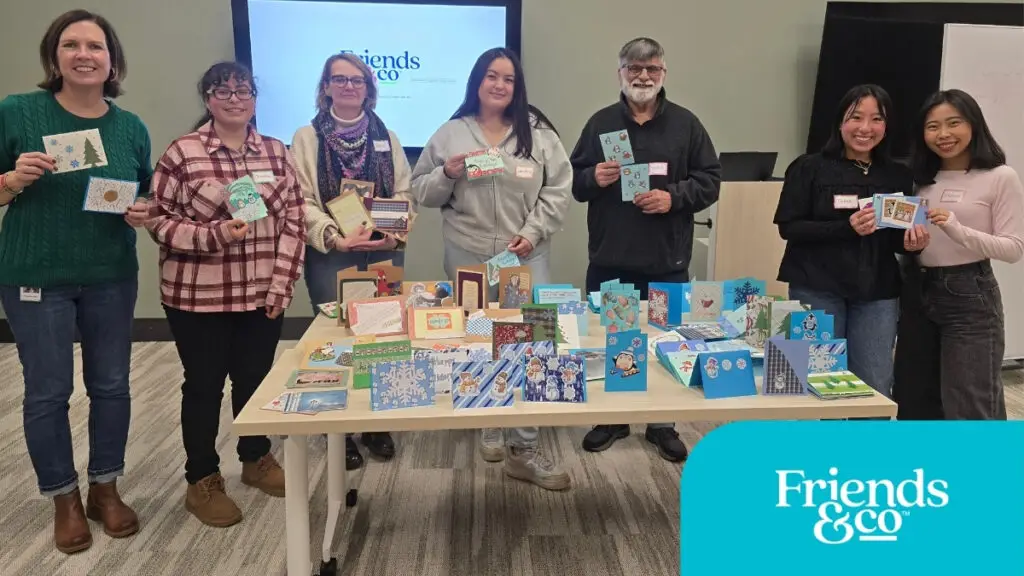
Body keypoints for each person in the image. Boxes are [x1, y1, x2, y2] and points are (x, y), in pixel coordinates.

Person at [0, 10, 151, 554]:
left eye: (95, 45)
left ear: (112, 60)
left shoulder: (130, 126)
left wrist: (142, 211)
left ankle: (105, 487)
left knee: (111, 386)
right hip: (35, 279)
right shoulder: (17, 111)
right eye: (71, 44)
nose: (84, 54)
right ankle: (63, 497)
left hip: (110, 275)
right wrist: (11, 180)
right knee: (48, 391)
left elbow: (145, 194)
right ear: (54, 56)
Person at [147, 61, 306, 527]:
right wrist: (213, 236)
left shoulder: (276, 153)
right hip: (198, 297)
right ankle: (202, 480)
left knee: (255, 382)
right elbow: (157, 220)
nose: (235, 98)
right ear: (207, 97)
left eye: (244, 90)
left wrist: (282, 284)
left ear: (255, 99)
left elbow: (294, 222)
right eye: (223, 90)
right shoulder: (183, 152)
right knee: (203, 387)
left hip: (261, 293)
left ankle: (255, 460)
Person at [411, 47, 572, 491]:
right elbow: (421, 190)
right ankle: (490, 423)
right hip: (469, 256)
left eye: (509, 79)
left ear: (517, 87)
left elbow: (558, 188)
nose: (500, 85)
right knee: (480, 341)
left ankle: (525, 449)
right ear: (477, 82)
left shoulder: (537, 133)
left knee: (533, 345)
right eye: (491, 76)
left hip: (526, 259)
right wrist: (446, 171)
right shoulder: (450, 133)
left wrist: (534, 232)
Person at [570, 37, 721, 463]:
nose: (642, 76)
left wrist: (673, 197)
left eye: (651, 69)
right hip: (611, 258)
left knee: (663, 340)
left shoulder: (686, 125)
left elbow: (711, 180)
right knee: (616, 340)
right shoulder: (600, 124)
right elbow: (574, 182)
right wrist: (593, 177)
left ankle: (662, 424)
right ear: (620, 72)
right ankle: (615, 418)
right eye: (634, 68)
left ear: (663, 74)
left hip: (665, 261)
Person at [291, 52, 413, 470]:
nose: (348, 87)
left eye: (356, 80)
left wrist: (385, 231)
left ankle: (376, 422)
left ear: (368, 88)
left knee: (381, 337)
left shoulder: (387, 136)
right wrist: (336, 236)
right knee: (335, 338)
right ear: (325, 87)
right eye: (339, 80)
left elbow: (404, 192)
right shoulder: (306, 138)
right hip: (333, 253)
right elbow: (301, 199)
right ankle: (337, 428)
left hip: (381, 250)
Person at [773, 84, 929, 402]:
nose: (865, 128)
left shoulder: (898, 175)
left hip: (877, 292)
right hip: (816, 286)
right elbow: (789, 227)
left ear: (887, 126)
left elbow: (897, 237)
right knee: (819, 377)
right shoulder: (809, 167)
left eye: (876, 119)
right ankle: (824, 450)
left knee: (874, 377)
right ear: (840, 122)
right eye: (856, 117)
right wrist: (846, 227)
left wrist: (912, 243)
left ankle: (865, 450)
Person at [893, 89, 1024, 420]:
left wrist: (958, 228)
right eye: (933, 126)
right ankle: (932, 471)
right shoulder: (920, 178)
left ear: (974, 125)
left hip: (969, 294)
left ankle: (984, 471)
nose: (943, 135)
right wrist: (912, 247)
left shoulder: (999, 176)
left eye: (954, 123)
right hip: (917, 291)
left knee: (969, 399)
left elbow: (1013, 248)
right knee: (916, 397)